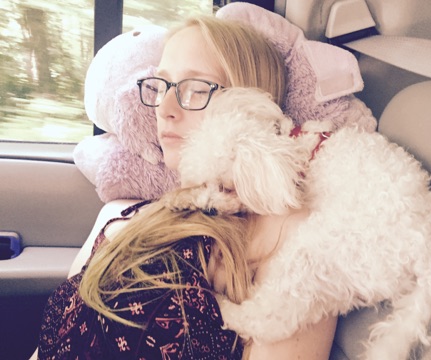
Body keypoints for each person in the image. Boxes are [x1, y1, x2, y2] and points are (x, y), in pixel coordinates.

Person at [36, 15, 337, 360]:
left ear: (251, 105)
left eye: (196, 89)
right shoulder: (121, 215)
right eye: (161, 86)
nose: (165, 109)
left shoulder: (291, 238)